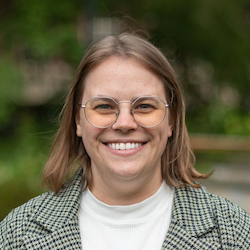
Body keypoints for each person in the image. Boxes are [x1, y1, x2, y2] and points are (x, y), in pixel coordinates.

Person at [1, 32, 250, 250]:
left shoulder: (233, 233)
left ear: (171, 120)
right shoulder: (18, 235)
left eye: (144, 106)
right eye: (104, 106)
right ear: (78, 120)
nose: (124, 123)